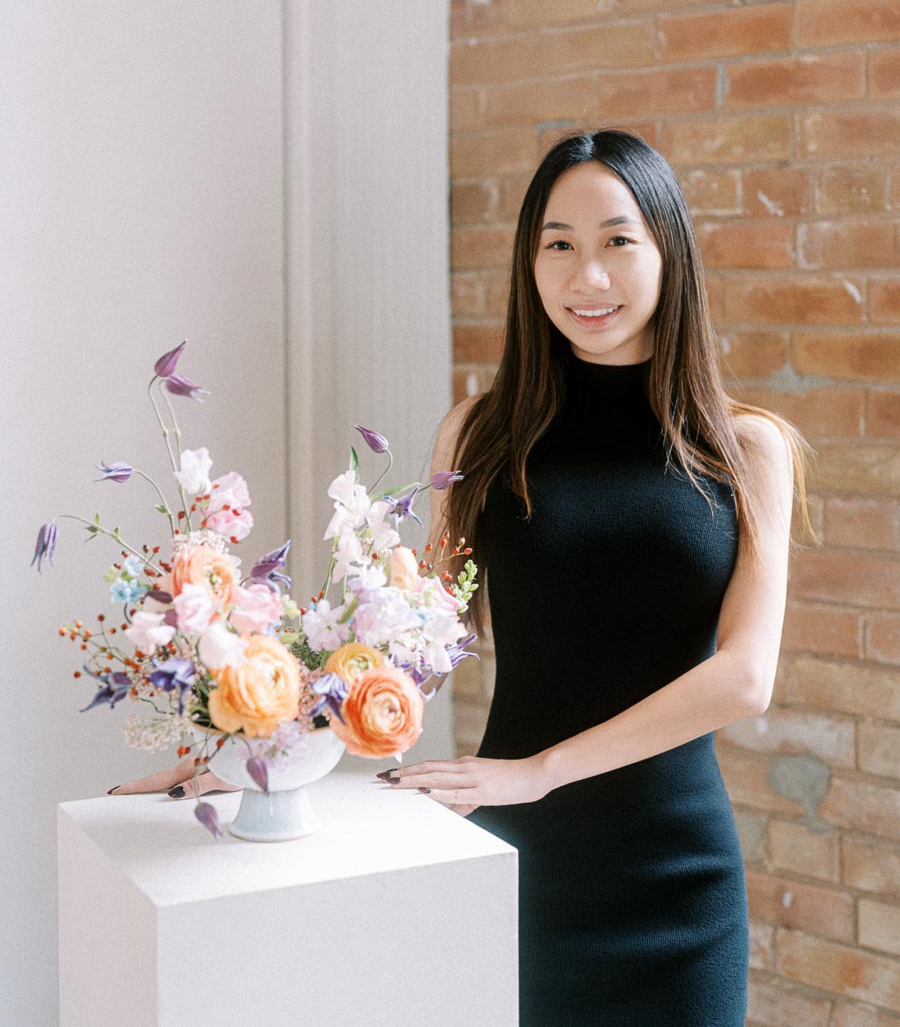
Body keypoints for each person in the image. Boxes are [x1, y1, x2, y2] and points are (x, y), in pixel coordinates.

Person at [112, 127, 813, 1025]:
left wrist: (541, 770)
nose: (585, 277)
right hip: (519, 863)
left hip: (677, 879)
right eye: (557, 245)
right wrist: (260, 749)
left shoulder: (744, 447)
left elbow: (743, 677)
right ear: (529, 264)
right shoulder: (479, 435)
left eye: (616, 241)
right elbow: (417, 642)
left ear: (669, 249)